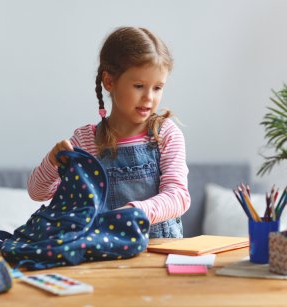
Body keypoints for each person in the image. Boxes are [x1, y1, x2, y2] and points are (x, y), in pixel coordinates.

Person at [28, 26, 190, 238]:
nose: (149, 97)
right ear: (109, 81)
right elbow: (38, 192)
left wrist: (135, 212)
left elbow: (178, 196)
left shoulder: (166, 134)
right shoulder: (86, 140)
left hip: (160, 254)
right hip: (106, 255)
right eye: (139, 86)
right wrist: (52, 161)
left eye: (157, 87)